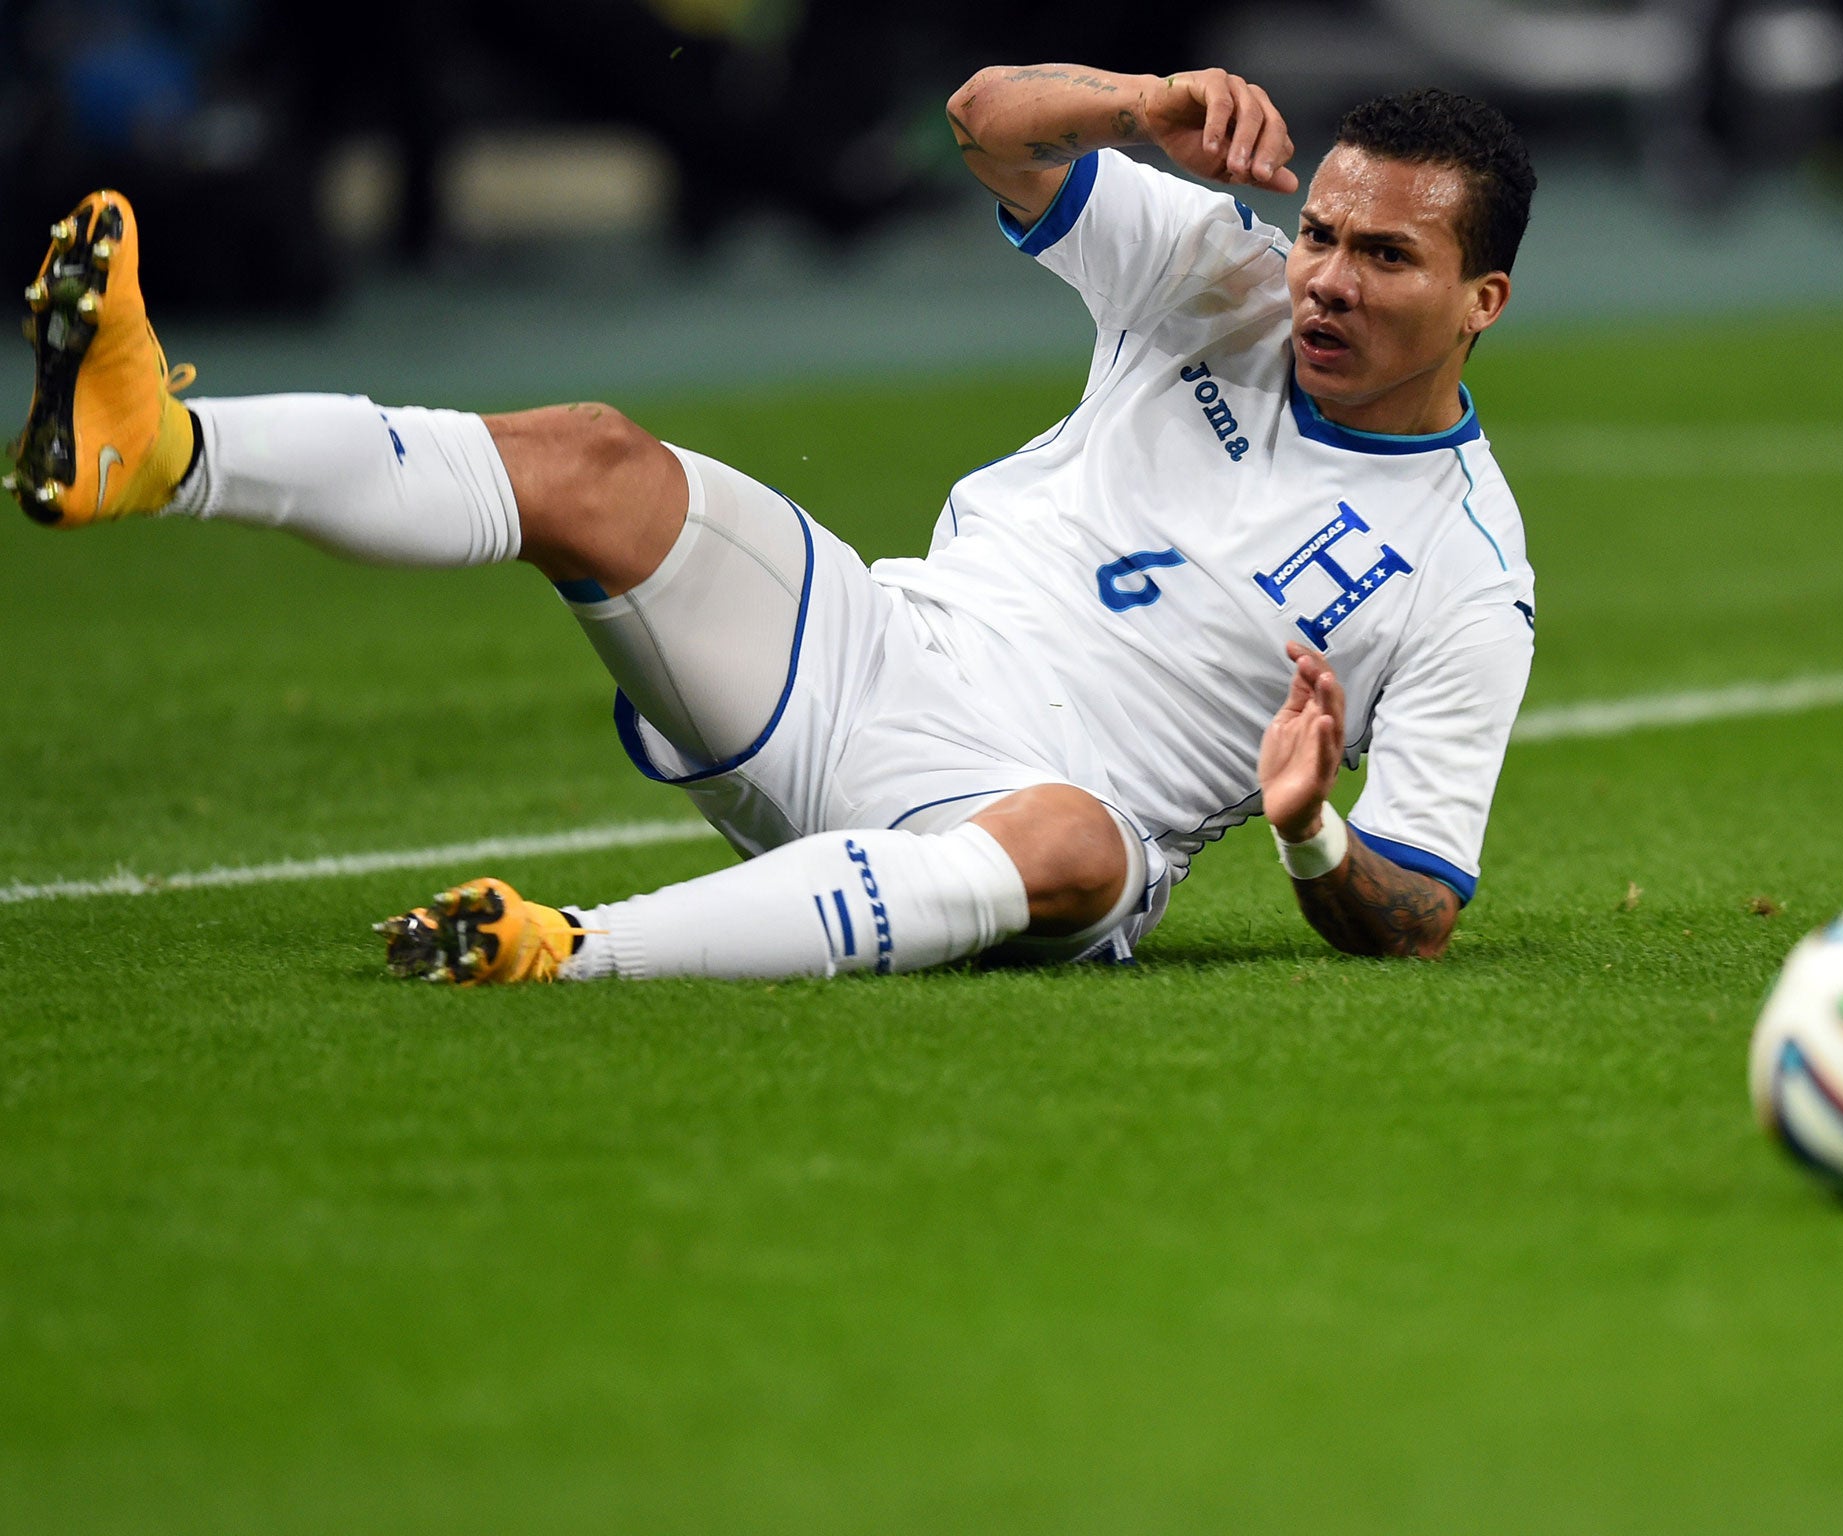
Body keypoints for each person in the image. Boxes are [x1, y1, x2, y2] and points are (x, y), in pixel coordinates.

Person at [8, 63, 1537, 984]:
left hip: (1033, 812)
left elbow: (1412, 917)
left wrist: (1308, 830)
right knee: (598, 463)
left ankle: (571, 950)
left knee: (1078, 842)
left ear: (1484, 301)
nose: (1326, 280)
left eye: (1385, 257)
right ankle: (154, 450)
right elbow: (990, 128)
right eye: (1323, 233)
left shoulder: (1469, 570)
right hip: (875, 646)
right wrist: (1138, 105)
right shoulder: (1222, 271)